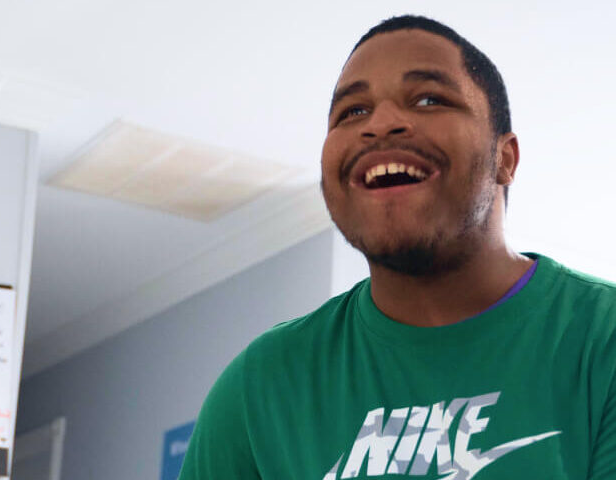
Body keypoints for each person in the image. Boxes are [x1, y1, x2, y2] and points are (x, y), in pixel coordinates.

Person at [178, 15, 616, 480]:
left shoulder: (600, 339)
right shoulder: (261, 387)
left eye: (429, 99)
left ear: (504, 159)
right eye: (352, 112)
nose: (381, 124)